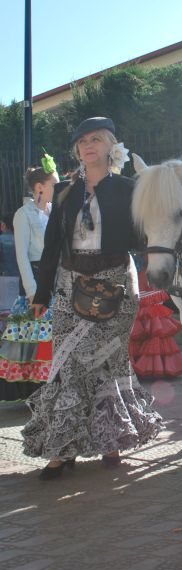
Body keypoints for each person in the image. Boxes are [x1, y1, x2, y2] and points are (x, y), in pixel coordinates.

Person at [22, 117, 162, 479]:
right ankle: (62, 449)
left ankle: (110, 440)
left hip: (115, 285)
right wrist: (41, 292)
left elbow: (142, 238)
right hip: (70, 285)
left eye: (96, 139)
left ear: (111, 145)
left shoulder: (128, 189)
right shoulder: (64, 191)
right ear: (77, 149)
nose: (88, 146)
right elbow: (53, 245)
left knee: (107, 362)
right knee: (66, 364)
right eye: (83, 141)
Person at [0, 161, 59, 404]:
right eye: (54, 184)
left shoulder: (54, 211)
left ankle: (56, 384)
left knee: (55, 335)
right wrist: (33, 291)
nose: (58, 188)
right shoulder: (23, 215)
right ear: (39, 187)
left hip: (57, 279)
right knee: (37, 336)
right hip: (36, 280)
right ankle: (37, 389)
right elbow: (21, 256)